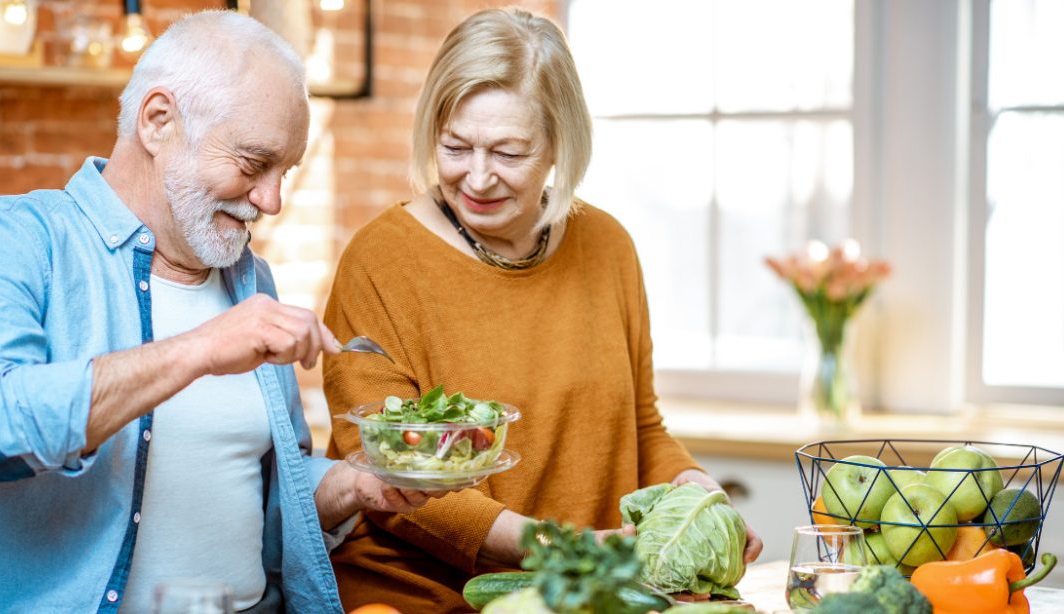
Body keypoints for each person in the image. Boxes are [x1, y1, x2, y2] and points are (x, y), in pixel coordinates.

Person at [0, 11, 440, 614]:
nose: (271, 201)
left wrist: (353, 485)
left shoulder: (252, 282)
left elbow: (261, 504)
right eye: (254, 164)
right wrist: (197, 349)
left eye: (286, 172)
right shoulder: (21, 237)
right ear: (158, 121)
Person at [321, 8, 764, 612]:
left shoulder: (607, 246)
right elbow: (382, 471)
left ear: (560, 144)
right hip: (419, 596)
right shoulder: (380, 260)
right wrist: (558, 548)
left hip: (583, 590)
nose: (477, 178)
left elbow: (641, 428)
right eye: (455, 146)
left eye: (508, 152)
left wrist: (699, 499)